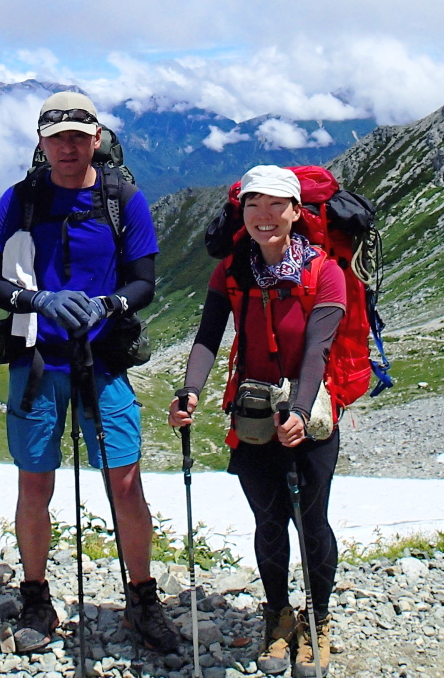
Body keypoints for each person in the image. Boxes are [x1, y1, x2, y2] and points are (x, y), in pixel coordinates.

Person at [0, 91, 181, 654]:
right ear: (41, 143)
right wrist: (39, 300)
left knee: (124, 480)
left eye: (78, 136)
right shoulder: (19, 201)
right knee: (35, 482)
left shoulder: (123, 199)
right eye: (56, 138)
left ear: (97, 139)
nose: (67, 148)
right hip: (39, 359)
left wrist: (109, 306)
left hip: (103, 358)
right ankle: (36, 596)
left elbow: (144, 280)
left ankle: (142, 597)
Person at [168, 165, 345, 677]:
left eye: (274, 205)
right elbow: (207, 336)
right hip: (251, 415)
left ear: (296, 211)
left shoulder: (324, 271)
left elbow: (318, 352)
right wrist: (190, 391)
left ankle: (318, 620)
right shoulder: (230, 270)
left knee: (312, 523)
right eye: (252, 206)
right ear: (240, 212)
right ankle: (278, 614)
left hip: (304, 414)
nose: (263, 217)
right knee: (269, 521)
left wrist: (301, 409)